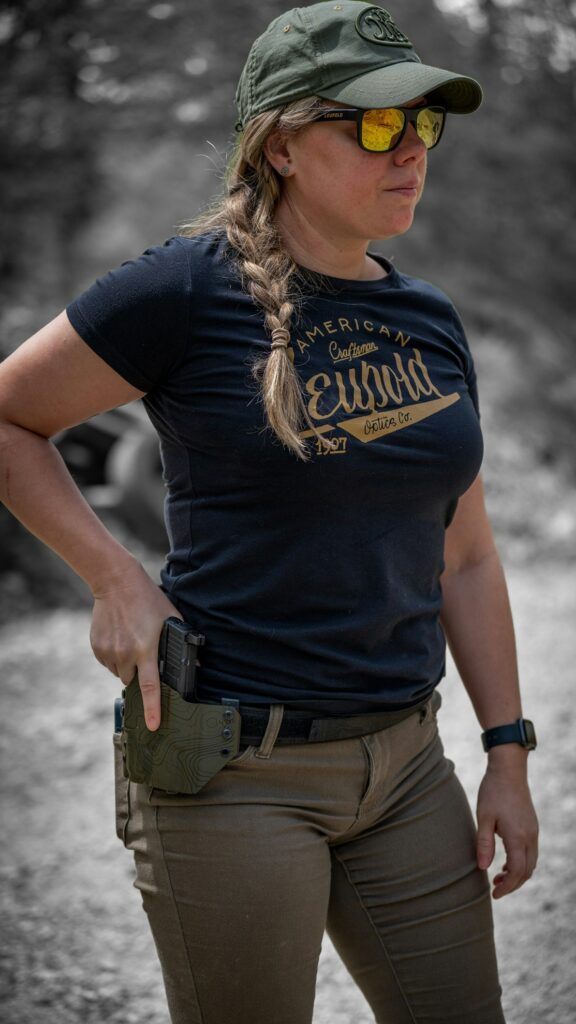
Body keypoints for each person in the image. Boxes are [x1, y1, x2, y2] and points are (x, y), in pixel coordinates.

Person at [0, 3, 538, 1022]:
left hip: (408, 770)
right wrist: (116, 578)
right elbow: (11, 417)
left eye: (424, 124)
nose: (409, 150)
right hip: (234, 771)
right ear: (282, 143)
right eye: (376, 125)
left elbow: (463, 556)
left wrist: (506, 750)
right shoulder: (180, 292)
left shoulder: (428, 317)